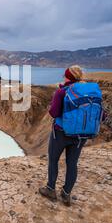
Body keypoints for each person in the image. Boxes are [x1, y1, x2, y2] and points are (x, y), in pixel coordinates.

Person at [39, 65, 87, 207]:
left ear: (67, 77)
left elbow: (54, 113)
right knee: (72, 164)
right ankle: (66, 195)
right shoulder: (89, 92)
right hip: (80, 136)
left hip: (61, 133)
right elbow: (102, 115)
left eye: (64, 75)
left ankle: (51, 190)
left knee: (53, 160)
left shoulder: (62, 92)